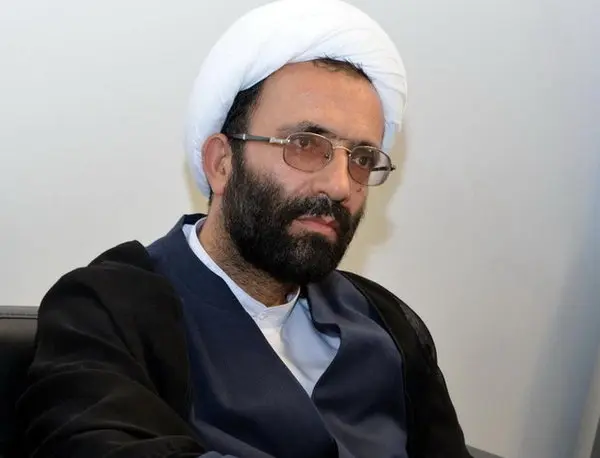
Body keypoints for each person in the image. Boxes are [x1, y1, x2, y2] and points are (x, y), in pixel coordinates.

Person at [15, 1, 473, 457]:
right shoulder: (108, 309)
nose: (339, 185)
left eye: (361, 158)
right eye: (305, 144)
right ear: (221, 163)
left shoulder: (387, 322)